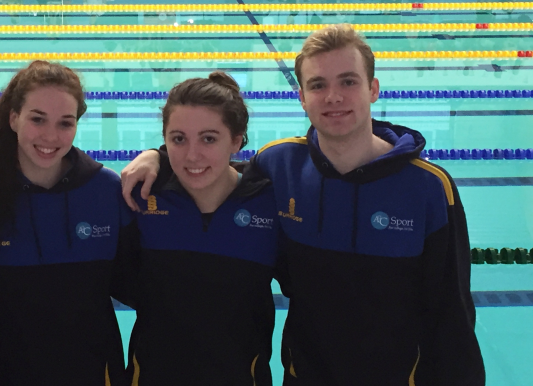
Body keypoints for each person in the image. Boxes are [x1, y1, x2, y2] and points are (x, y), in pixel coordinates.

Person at [120, 24, 485, 385]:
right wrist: (158, 155)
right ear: (302, 97)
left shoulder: (428, 188)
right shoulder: (279, 166)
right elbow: (210, 169)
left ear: (372, 89)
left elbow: (452, 314)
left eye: (348, 81)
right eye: (318, 85)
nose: (333, 97)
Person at [0, 60, 133, 386]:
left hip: (92, 373)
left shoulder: (106, 191)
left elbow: (147, 286)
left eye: (65, 123)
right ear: (14, 118)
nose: (51, 136)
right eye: (37, 119)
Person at [119, 71, 285, 386]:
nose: (192, 155)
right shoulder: (141, 201)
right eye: (178, 139)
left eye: (209, 138)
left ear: (236, 140)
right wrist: (156, 156)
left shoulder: (268, 204)